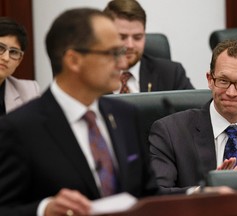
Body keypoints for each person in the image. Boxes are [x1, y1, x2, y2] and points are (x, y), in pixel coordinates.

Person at [0, 8, 159, 216]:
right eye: (111, 53)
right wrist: (44, 210)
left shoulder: (126, 115)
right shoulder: (19, 128)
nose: (122, 63)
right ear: (74, 60)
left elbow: (150, 196)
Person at [149, 39, 237, 194]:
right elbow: (157, 194)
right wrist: (202, 193)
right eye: (223, 81)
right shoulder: (170, 132)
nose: (231, 92)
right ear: (210, 80)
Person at [103, 0, 194, 93]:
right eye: (122, 37)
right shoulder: (90, 76)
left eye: (137, 37)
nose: (130, 45)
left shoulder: (172, 74)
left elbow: (196, 105)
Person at [0, 17, 40, 115]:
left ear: (19, 60)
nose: (6, 58)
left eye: (13, 52)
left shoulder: (29, 92)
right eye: (0, 48)